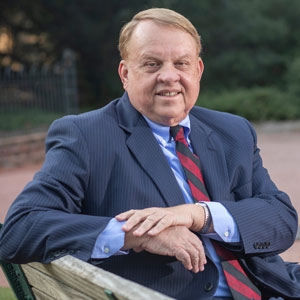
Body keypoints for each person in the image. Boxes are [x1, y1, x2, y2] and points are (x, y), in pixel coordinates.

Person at [0, 7, 299, 300]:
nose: (169, 76)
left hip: (270, 288)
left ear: (198, 70)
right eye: (152, 64)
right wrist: (139, 234)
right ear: (125, 74)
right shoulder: (87, 136)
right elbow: (20, 229)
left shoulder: (232, 131)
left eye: (181, 64)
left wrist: (197, 215)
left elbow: (281, 220)